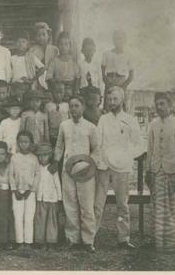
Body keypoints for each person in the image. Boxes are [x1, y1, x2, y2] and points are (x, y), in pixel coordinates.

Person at [95, 86, 144, 249]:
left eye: (115, 99)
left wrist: (127, 156)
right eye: (109, 100)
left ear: (122, 100)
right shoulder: (103, 119)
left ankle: (124, 239)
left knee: (122, 204)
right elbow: (98, 143)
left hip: (122, 169)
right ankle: (90, 238)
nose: (112, 102)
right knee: (98, 204)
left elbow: (139, 144)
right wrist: (102, 160)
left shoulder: (130, 120)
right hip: (104, 167)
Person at [54, 96, 100, 253]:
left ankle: (88, 240)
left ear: (83, 107)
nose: (74, 109)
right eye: (71, 106)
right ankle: (72, 238)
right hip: (68, 169)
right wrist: (55, 161)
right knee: (70, 203)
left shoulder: (91, 127)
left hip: (85, 170)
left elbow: (96, 149)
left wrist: (88, 163)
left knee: (86, 205)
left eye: (77, 106)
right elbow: (59, 146)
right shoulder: (64, 126)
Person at [145, 92, 175, 253]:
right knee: (157, 206)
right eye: (157, 104)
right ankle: (157, 241)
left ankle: (173, 243)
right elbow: (150, 149)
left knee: (173, 205)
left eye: (162, 104)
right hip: (157, 170)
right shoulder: (153, 124)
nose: (159, 107)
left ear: (169, 105)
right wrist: (149, 170)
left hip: (173, 170)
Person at [9, 131, 40, 249]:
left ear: (31, 143)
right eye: (21, 142)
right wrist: (14, 190)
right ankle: (19, 242)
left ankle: (28, 242)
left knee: (28, 217)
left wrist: (31, 190)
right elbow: (11, 175)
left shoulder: (34, 158)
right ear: (17, 143)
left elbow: (37, 174)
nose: (23, 144)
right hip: (17, 192)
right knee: (18, 216)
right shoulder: (14, 158)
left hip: (30, 193)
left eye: (26, 142)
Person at [34, 142, 61, 249]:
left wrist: (59, 198)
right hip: (40, 197)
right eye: (40, 155)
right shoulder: (37, 168)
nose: (42, 158)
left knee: (52, 220)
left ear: (50, 156)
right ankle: (40, 241)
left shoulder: (52, 169)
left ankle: (51, 241)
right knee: (40, 219)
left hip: (52, 198)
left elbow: (57, 184)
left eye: (45, 155)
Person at [101, 30, 134, 110]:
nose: (118, 41)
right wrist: (108, 84)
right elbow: (102, 72)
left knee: (121, 106)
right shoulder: (107, 54)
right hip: (109, 81)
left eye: (120, 38)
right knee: (109, 105)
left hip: (121, 82)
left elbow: (131, 75)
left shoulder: (128, 55)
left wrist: (123, 87)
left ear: (124, 40)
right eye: (116, 39)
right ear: (113, 40)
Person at [45, 81, 69, 146]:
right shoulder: (48, 106)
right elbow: (46, 122)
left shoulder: (67, 105)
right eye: (56, 92)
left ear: (64, 92)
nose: (58, 95)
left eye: (61, 92)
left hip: (65, 134)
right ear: (52, 92)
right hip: (52, 135)